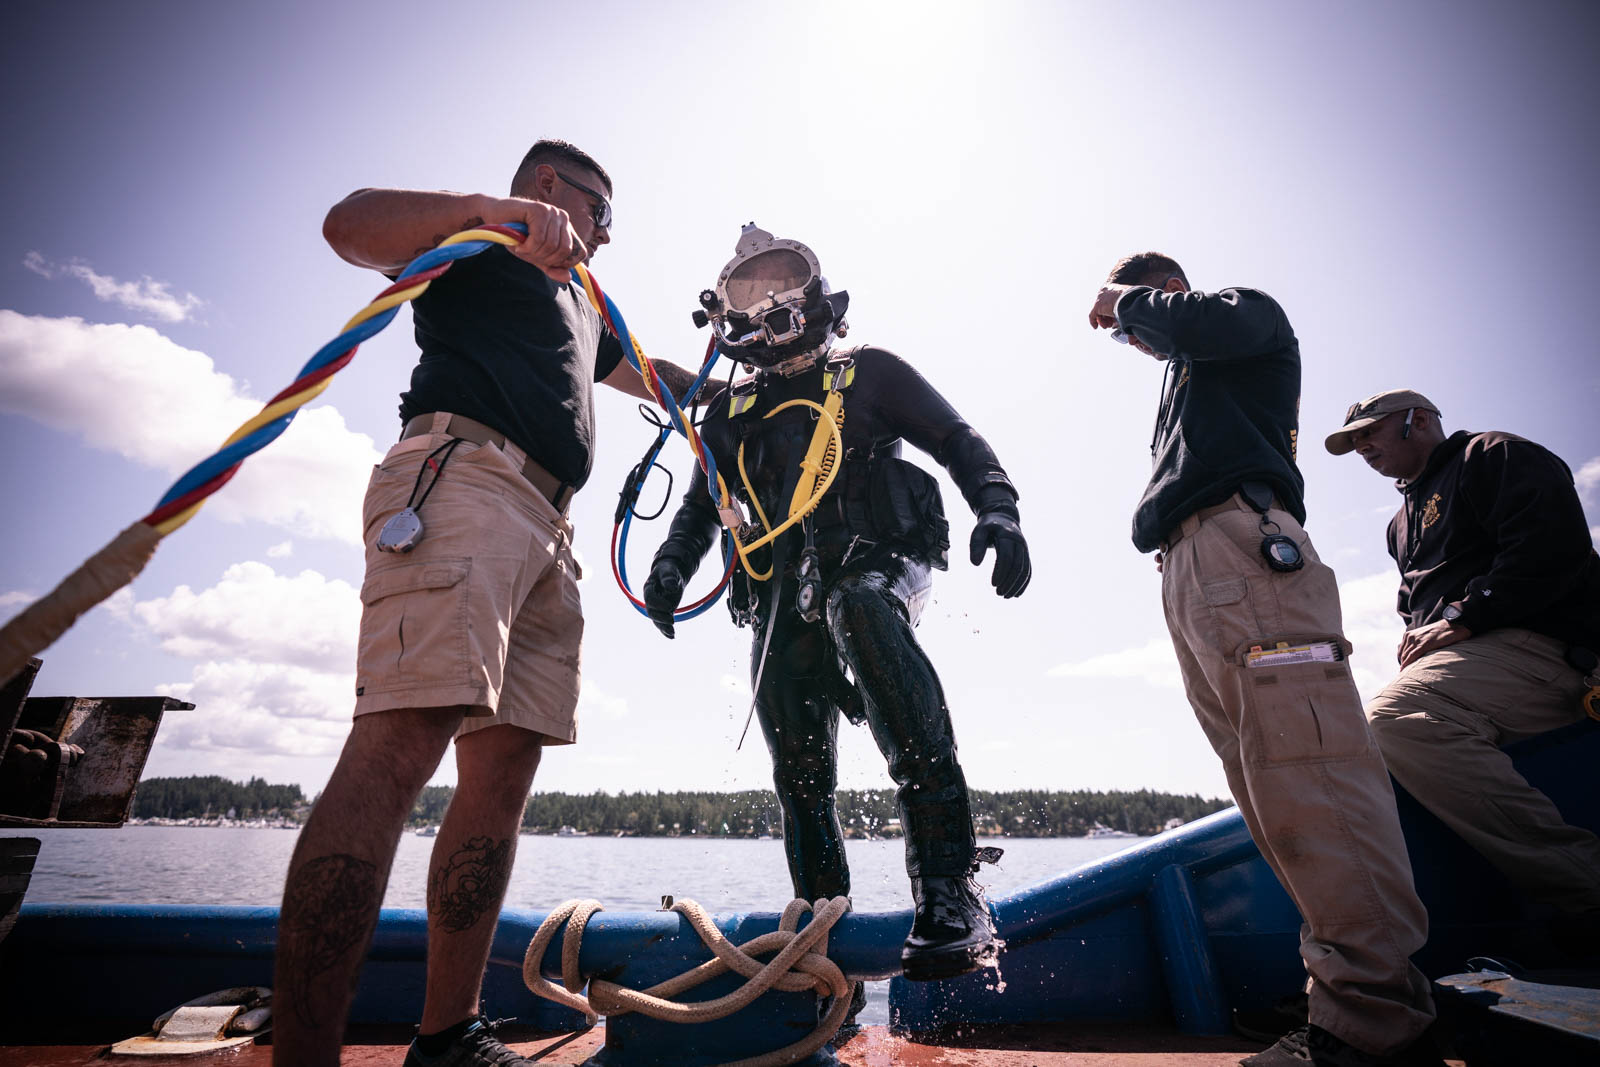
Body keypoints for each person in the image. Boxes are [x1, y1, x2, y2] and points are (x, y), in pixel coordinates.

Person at [273, 140, 699, 1067]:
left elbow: (650, 374)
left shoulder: (587, 304)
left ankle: (448, 1037)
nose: (605, 236)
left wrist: (725, 393)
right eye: (599, 211)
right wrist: (489, 212)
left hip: (551, 527)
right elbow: (348, 224)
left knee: (502, 775)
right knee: (400, 741)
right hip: (464, 479)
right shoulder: (483, 237)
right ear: (548, 186)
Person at [642, 224, 1031, 986]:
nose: (768, 302)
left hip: (881, 569)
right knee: (796, 755)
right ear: (722, 314)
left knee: (859, 606)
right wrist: (667, 569)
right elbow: (699, 509)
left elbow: (956, 437)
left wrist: (999, 506)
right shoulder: (729, 413)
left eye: (782, 282)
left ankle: (949, 885)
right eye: (747, 291)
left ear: (818, 294)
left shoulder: (871, 375)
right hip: (787, 593)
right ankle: (820, 931)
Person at [1088, 254, 1440, 1067]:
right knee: (1268, 789)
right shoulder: (1190, 383)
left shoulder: (1244, 317)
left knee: (1310, 773)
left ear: (1166, 292)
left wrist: (1125, 301)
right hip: (1196, 569)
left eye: (1136, 323)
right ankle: (1343, 998)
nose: (1132, 339)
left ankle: (1375, 1025)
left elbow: (1206, 321)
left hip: (1247, 550)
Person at [1326, 390, 1600, 943]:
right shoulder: (1398, 524)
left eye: (1371, 434)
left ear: (1419, 420)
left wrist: (1465, 615)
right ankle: (1372, 949)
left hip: (1545, 648)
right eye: (1354, 443)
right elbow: (1415, 609)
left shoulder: (1493, 455)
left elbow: (1551, 550)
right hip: (1473, 664)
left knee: (1398, 719)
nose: (1363, 449)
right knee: (1346, 745)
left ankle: (1587, 888)